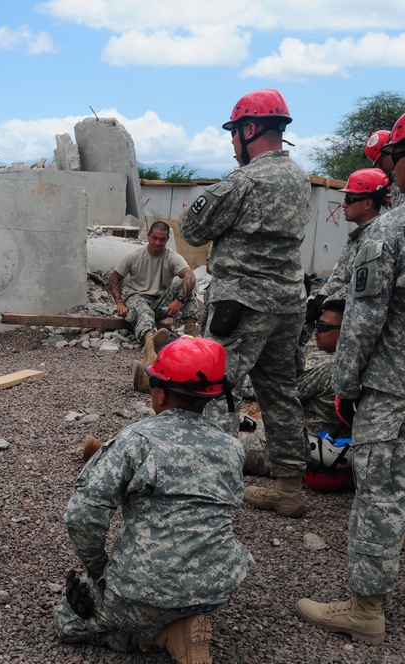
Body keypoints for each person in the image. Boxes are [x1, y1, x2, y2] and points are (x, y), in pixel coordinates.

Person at [54, 337, 253, 664]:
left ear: (159, 394)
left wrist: (99, 570)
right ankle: (182, 621)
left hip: (144, 593)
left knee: (68, 618)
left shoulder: (137, 440)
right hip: (220, 587)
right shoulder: (231, 447)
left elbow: (82, 514)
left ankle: (159, 635)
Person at [295, 111, 405, 646]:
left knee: (380, 494)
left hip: (391, 388)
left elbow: (362, 323)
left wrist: (346, 386)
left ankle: (366, 609)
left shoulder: (388, 234)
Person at [179, 88, 310, 518]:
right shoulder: (300, 178)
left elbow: (193, 229)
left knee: (216, 388)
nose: (233, 144)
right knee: (280, 393)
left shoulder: (245, 180)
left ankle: (210, 490)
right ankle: (290, 490)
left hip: (242, 305)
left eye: (234, 133)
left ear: (249, 129)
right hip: (288, 303)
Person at [242, 299, 353, 488]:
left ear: (345, 331)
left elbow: (279, 391)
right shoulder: (342, 360)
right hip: (299, 442)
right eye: (317, 324)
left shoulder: (330, 368)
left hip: (289, 449)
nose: (316, 330)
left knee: (220, 443)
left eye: (324, 327)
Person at [304, 168, 390, 324]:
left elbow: (361, 287)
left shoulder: (377, 238)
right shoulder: (360, 235)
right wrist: (320, 297)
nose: (343, 205)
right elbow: (340, 276)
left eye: (349, 199)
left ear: (367, 203)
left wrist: (324, 303)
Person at [110, 221, 198, 355]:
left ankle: (191, 334)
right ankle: (150, 341)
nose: (157, 243)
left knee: (186, 286)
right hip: (137, 298)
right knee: (144, 310)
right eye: (154, 238)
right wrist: (120, 303)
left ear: (167, 239)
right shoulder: (134, 256)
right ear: (148, 236)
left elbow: (190, 276)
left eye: (162, 239)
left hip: (159, 302)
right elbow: (114, 278)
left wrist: (179, 300)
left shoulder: (171, 257)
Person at [364, 129, 404, 209]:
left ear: (389, 152)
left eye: (380, 162)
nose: (380, 168)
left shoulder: (401, 178)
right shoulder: (393, 180)